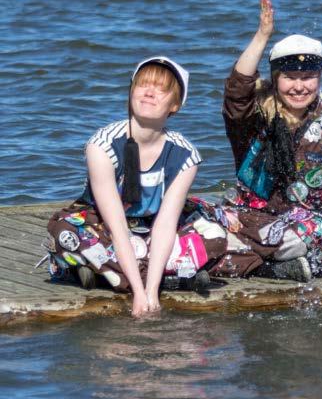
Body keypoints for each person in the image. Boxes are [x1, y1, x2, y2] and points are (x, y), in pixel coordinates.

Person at [46, 56, 261, 317]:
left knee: (214, 236)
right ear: (131, 92)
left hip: (152, 229)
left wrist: (152, 291)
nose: (149, 92)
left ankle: (108, 274)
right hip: (104, 226)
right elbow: (116, 226)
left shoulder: (185, 154)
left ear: (175, 105)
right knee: (67, 231)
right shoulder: (101, 146)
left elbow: (166, 224)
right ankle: (169, 276)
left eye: (161, 89)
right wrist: (140, 292)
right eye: (142, 85)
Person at [222, 0, 322, 281]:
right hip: (251, 218)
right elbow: (237, 93)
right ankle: (270, 268)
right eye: (289, 77)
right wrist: (262, 36)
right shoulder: (256, 118)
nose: (299, 87)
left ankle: (255, 259)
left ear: (319, 77)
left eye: (307, 77)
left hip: (303, 227)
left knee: (311, 235)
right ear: (275, 79)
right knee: (202, 226)